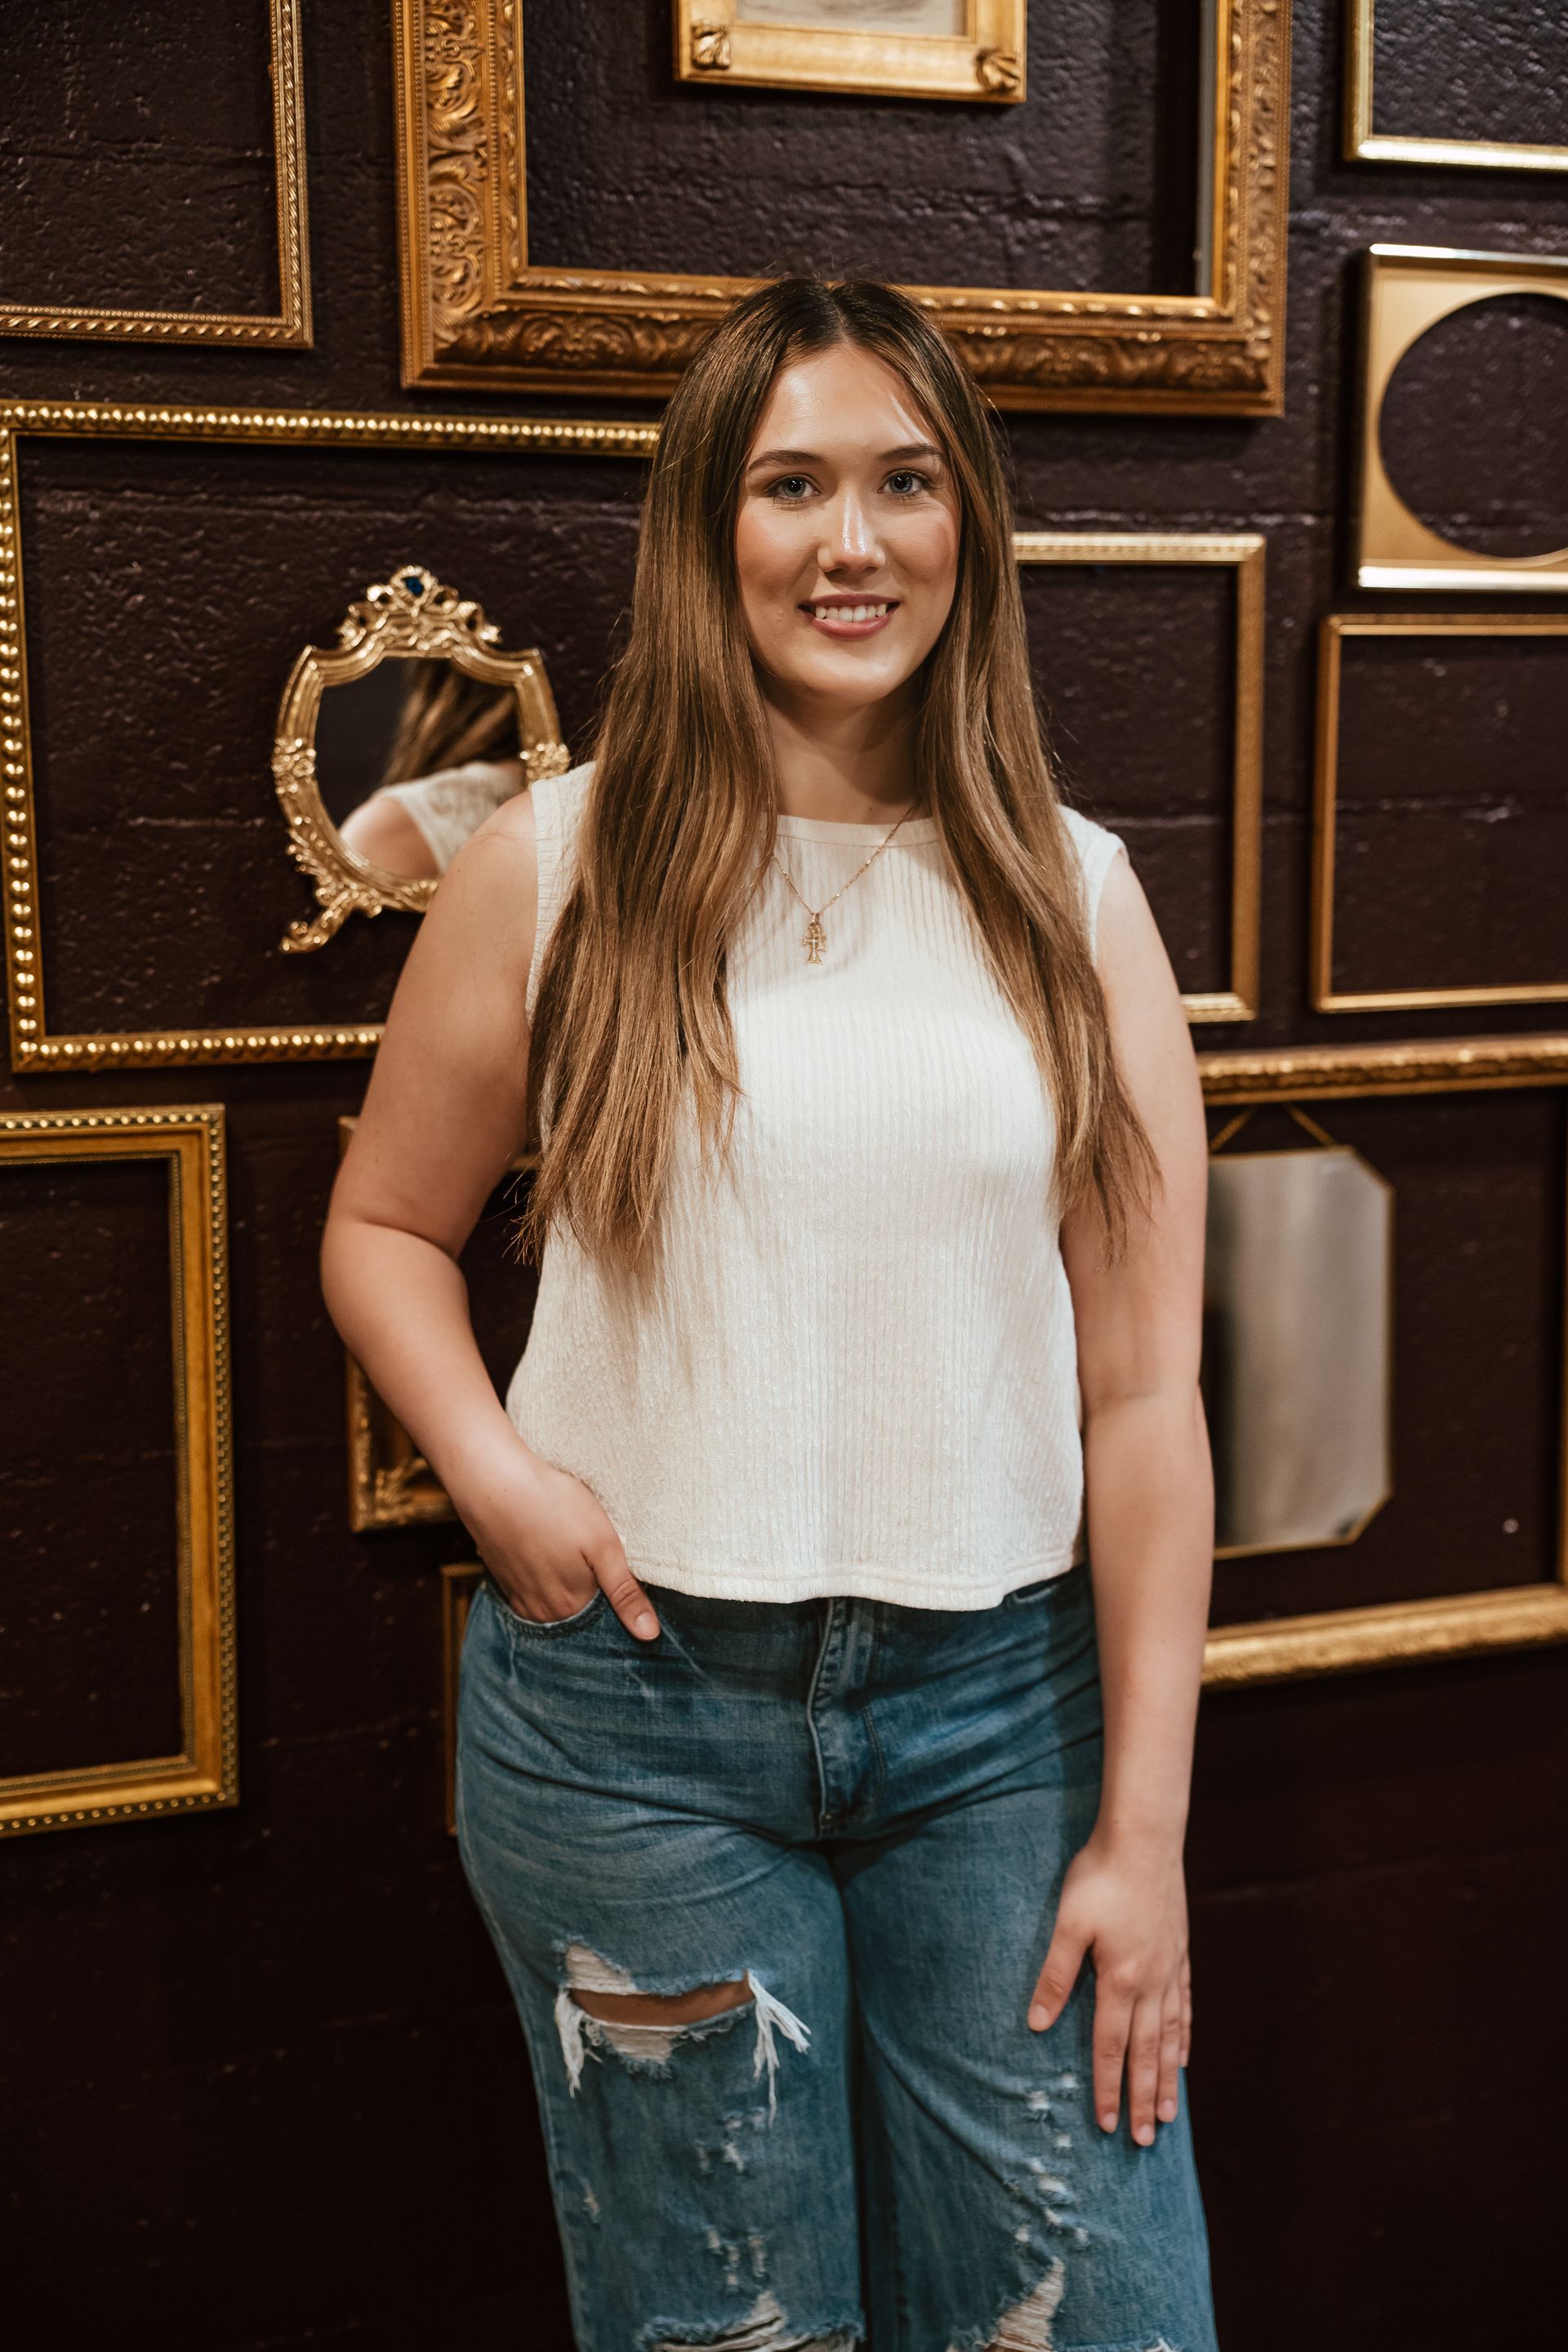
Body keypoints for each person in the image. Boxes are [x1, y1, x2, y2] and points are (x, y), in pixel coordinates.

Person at [321, 275, 1218, 2352]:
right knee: (731, 2329)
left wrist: (1146, 1836)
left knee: (1101, 2319)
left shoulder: (1073, 897)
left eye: (904, 482)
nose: (852, 541)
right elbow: (382, 1224)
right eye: (790, 483)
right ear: (706, 528)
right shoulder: (554, 863)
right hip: (634, 1735)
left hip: (1003, 1725)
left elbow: (1150, 1391)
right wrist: (498, 1476)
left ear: (966, 526)